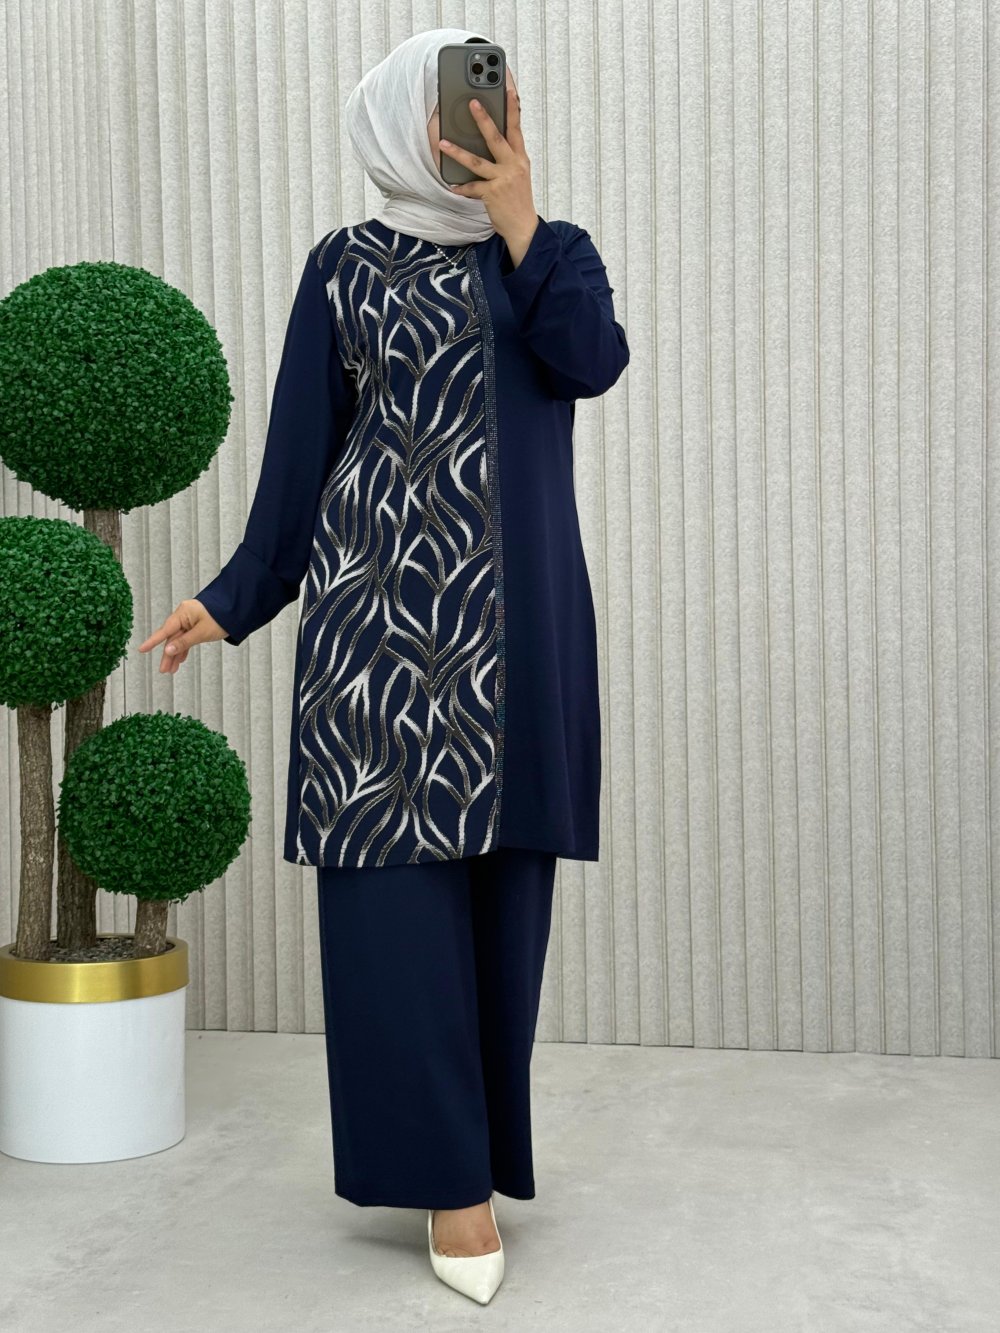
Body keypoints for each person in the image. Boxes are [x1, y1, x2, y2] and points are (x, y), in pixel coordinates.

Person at [139, 26, 629, 1305]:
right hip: (376, 642)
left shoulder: (555, 258)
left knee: (502, 917)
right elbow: (302, 461)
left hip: (514, 642)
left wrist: (519, 221)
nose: (488, 119)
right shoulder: (344, 267)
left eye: (503, 100)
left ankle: (479, 1158)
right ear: (402, 121)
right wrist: (230, 599)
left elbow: (590, 363)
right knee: (392, 923)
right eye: (460, 103)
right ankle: (451, 1191)